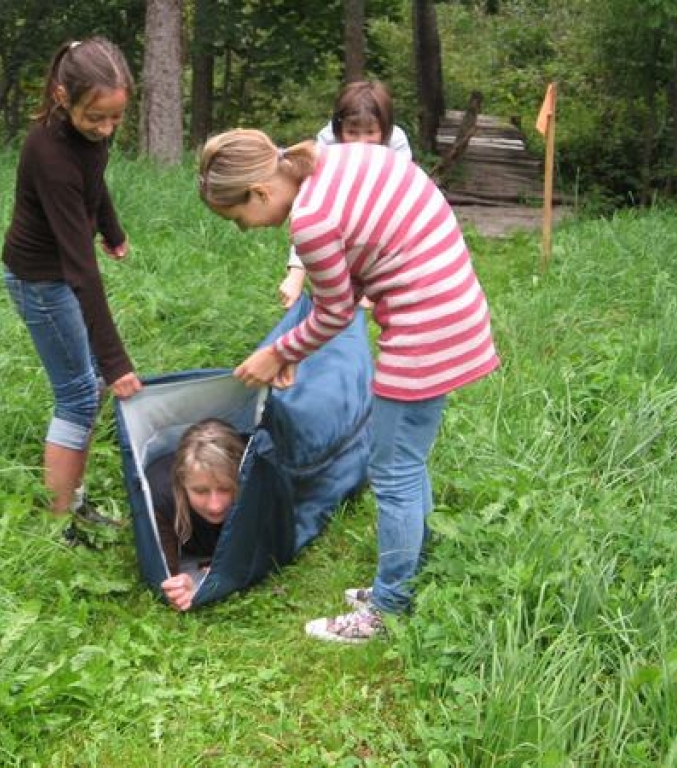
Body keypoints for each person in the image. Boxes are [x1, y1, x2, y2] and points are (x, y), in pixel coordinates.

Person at [198, 129, 499, 643]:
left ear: (261, 193)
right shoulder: (328, 161)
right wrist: (292, 351)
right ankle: (409, 575)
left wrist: (278, 351)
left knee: (393, 471)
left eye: (237, 218)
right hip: (453, 309)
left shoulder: (310, 221)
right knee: (406, 460)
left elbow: (335, 312)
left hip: (428, 325)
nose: (244, 229)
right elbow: (365, 252)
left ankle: (388, 609)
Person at [2, 36, 142, 520]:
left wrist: (112, 228)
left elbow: (95, 178)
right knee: (81, 392)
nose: (105, 130)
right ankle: (61, 521)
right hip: (40, 280)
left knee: (88, 389)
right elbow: (79, 268)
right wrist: (116, 360)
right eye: (95, 118)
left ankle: (74, 503)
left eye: (115, 118)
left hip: (58, 273)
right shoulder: (50, 155)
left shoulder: (85, 140)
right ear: (63, 97)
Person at [278, 80, 412, 308]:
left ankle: (377, 282)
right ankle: (298, 276)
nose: (361, 142)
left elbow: (403, 197)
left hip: (382, 206)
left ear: (385, 129)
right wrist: (297, 270)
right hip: (340, 204)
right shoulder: (327, 142)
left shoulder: (396, 143)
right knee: (318, 216)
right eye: (352, 132)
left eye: (370, 133)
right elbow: (312, 206)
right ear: (339, 130)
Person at [145, 419, 247, 611]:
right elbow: (167, 574)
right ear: (183, 482)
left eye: (225, 489)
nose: (215, 506)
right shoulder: (160, 495)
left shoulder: (255, 480)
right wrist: (183, 587)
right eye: (200, 491)